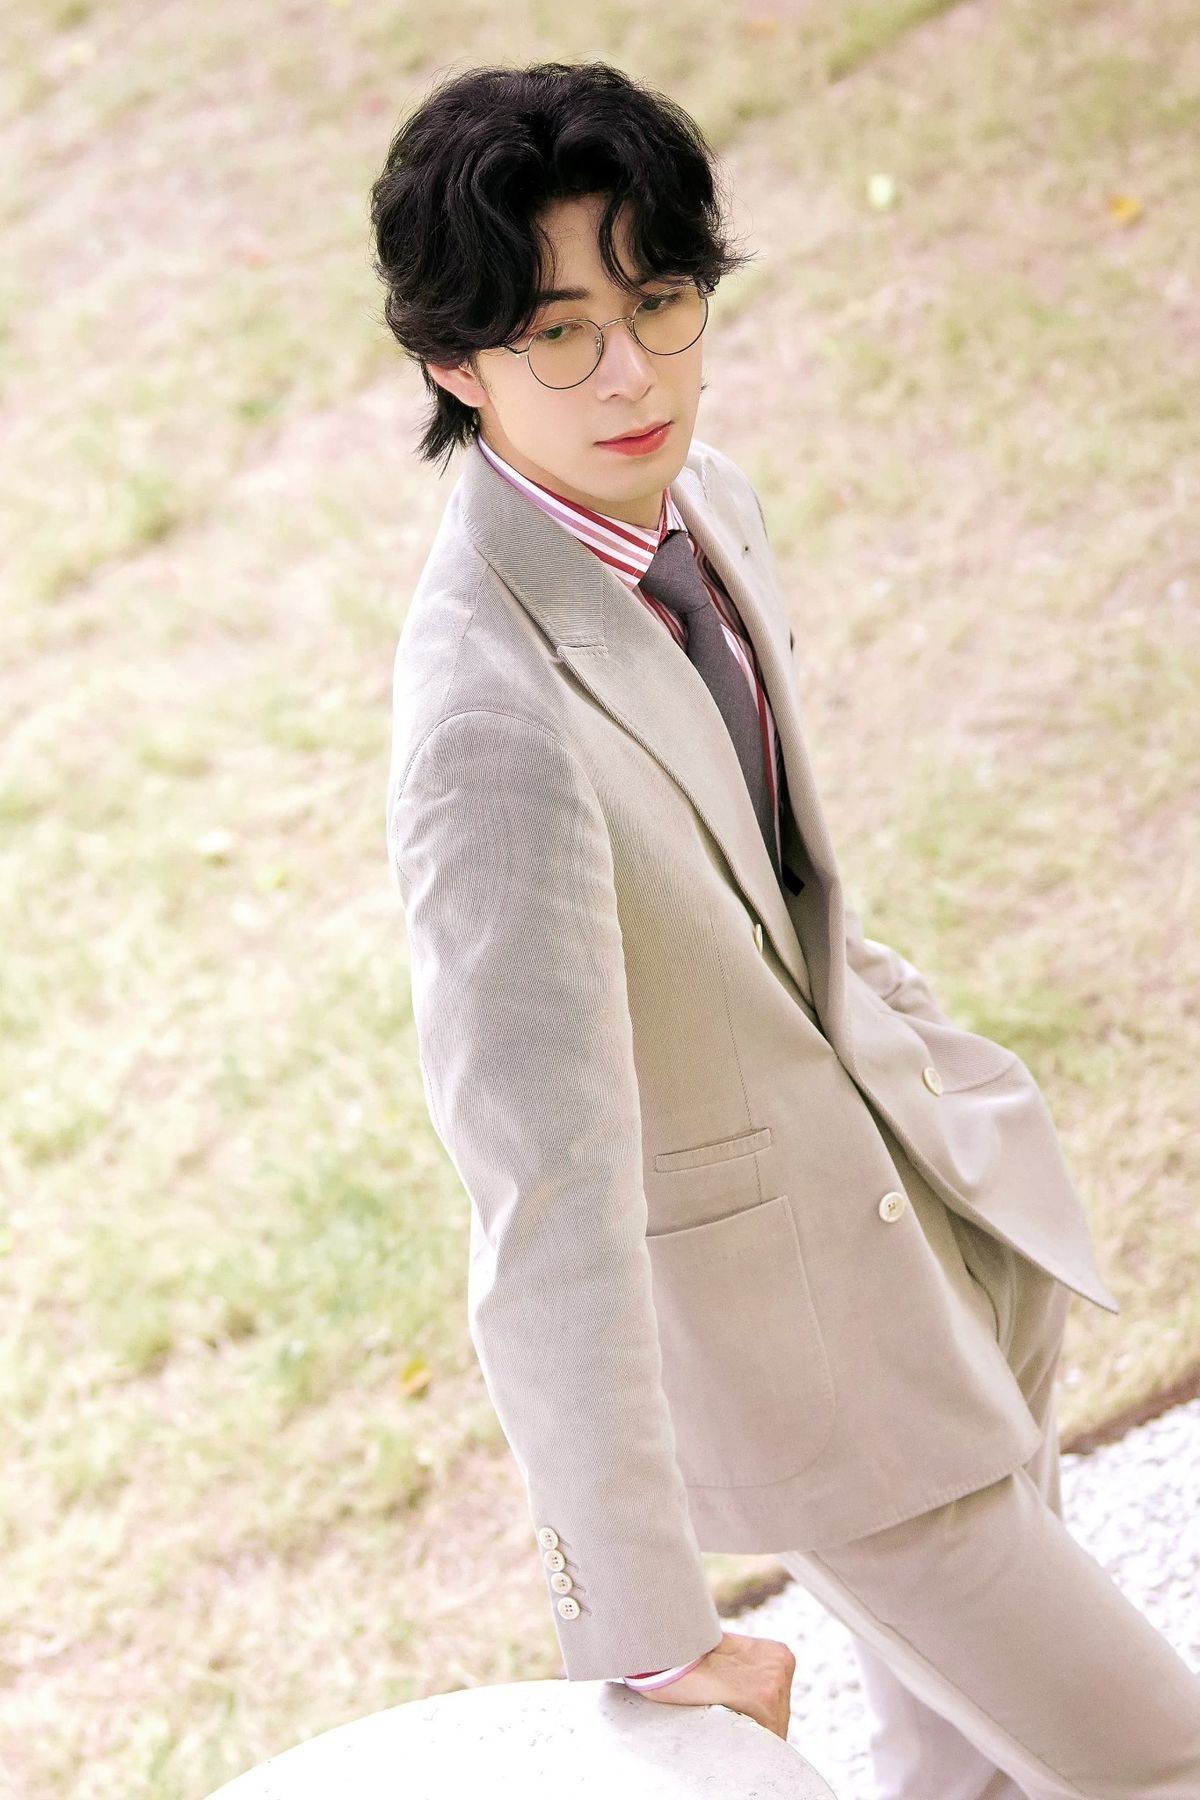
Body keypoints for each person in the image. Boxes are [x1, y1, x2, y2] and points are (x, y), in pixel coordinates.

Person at [369, 58, 1200, 1797]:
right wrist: (646, 1626)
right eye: (558, 334)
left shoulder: (706, 505)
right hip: (814, 1387)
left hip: (946, 1233)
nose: (632, 376)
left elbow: (782, 897)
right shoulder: (486, 725)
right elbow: (540, 1191)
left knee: (973, 1772)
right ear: (455, 362)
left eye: (660, 302)